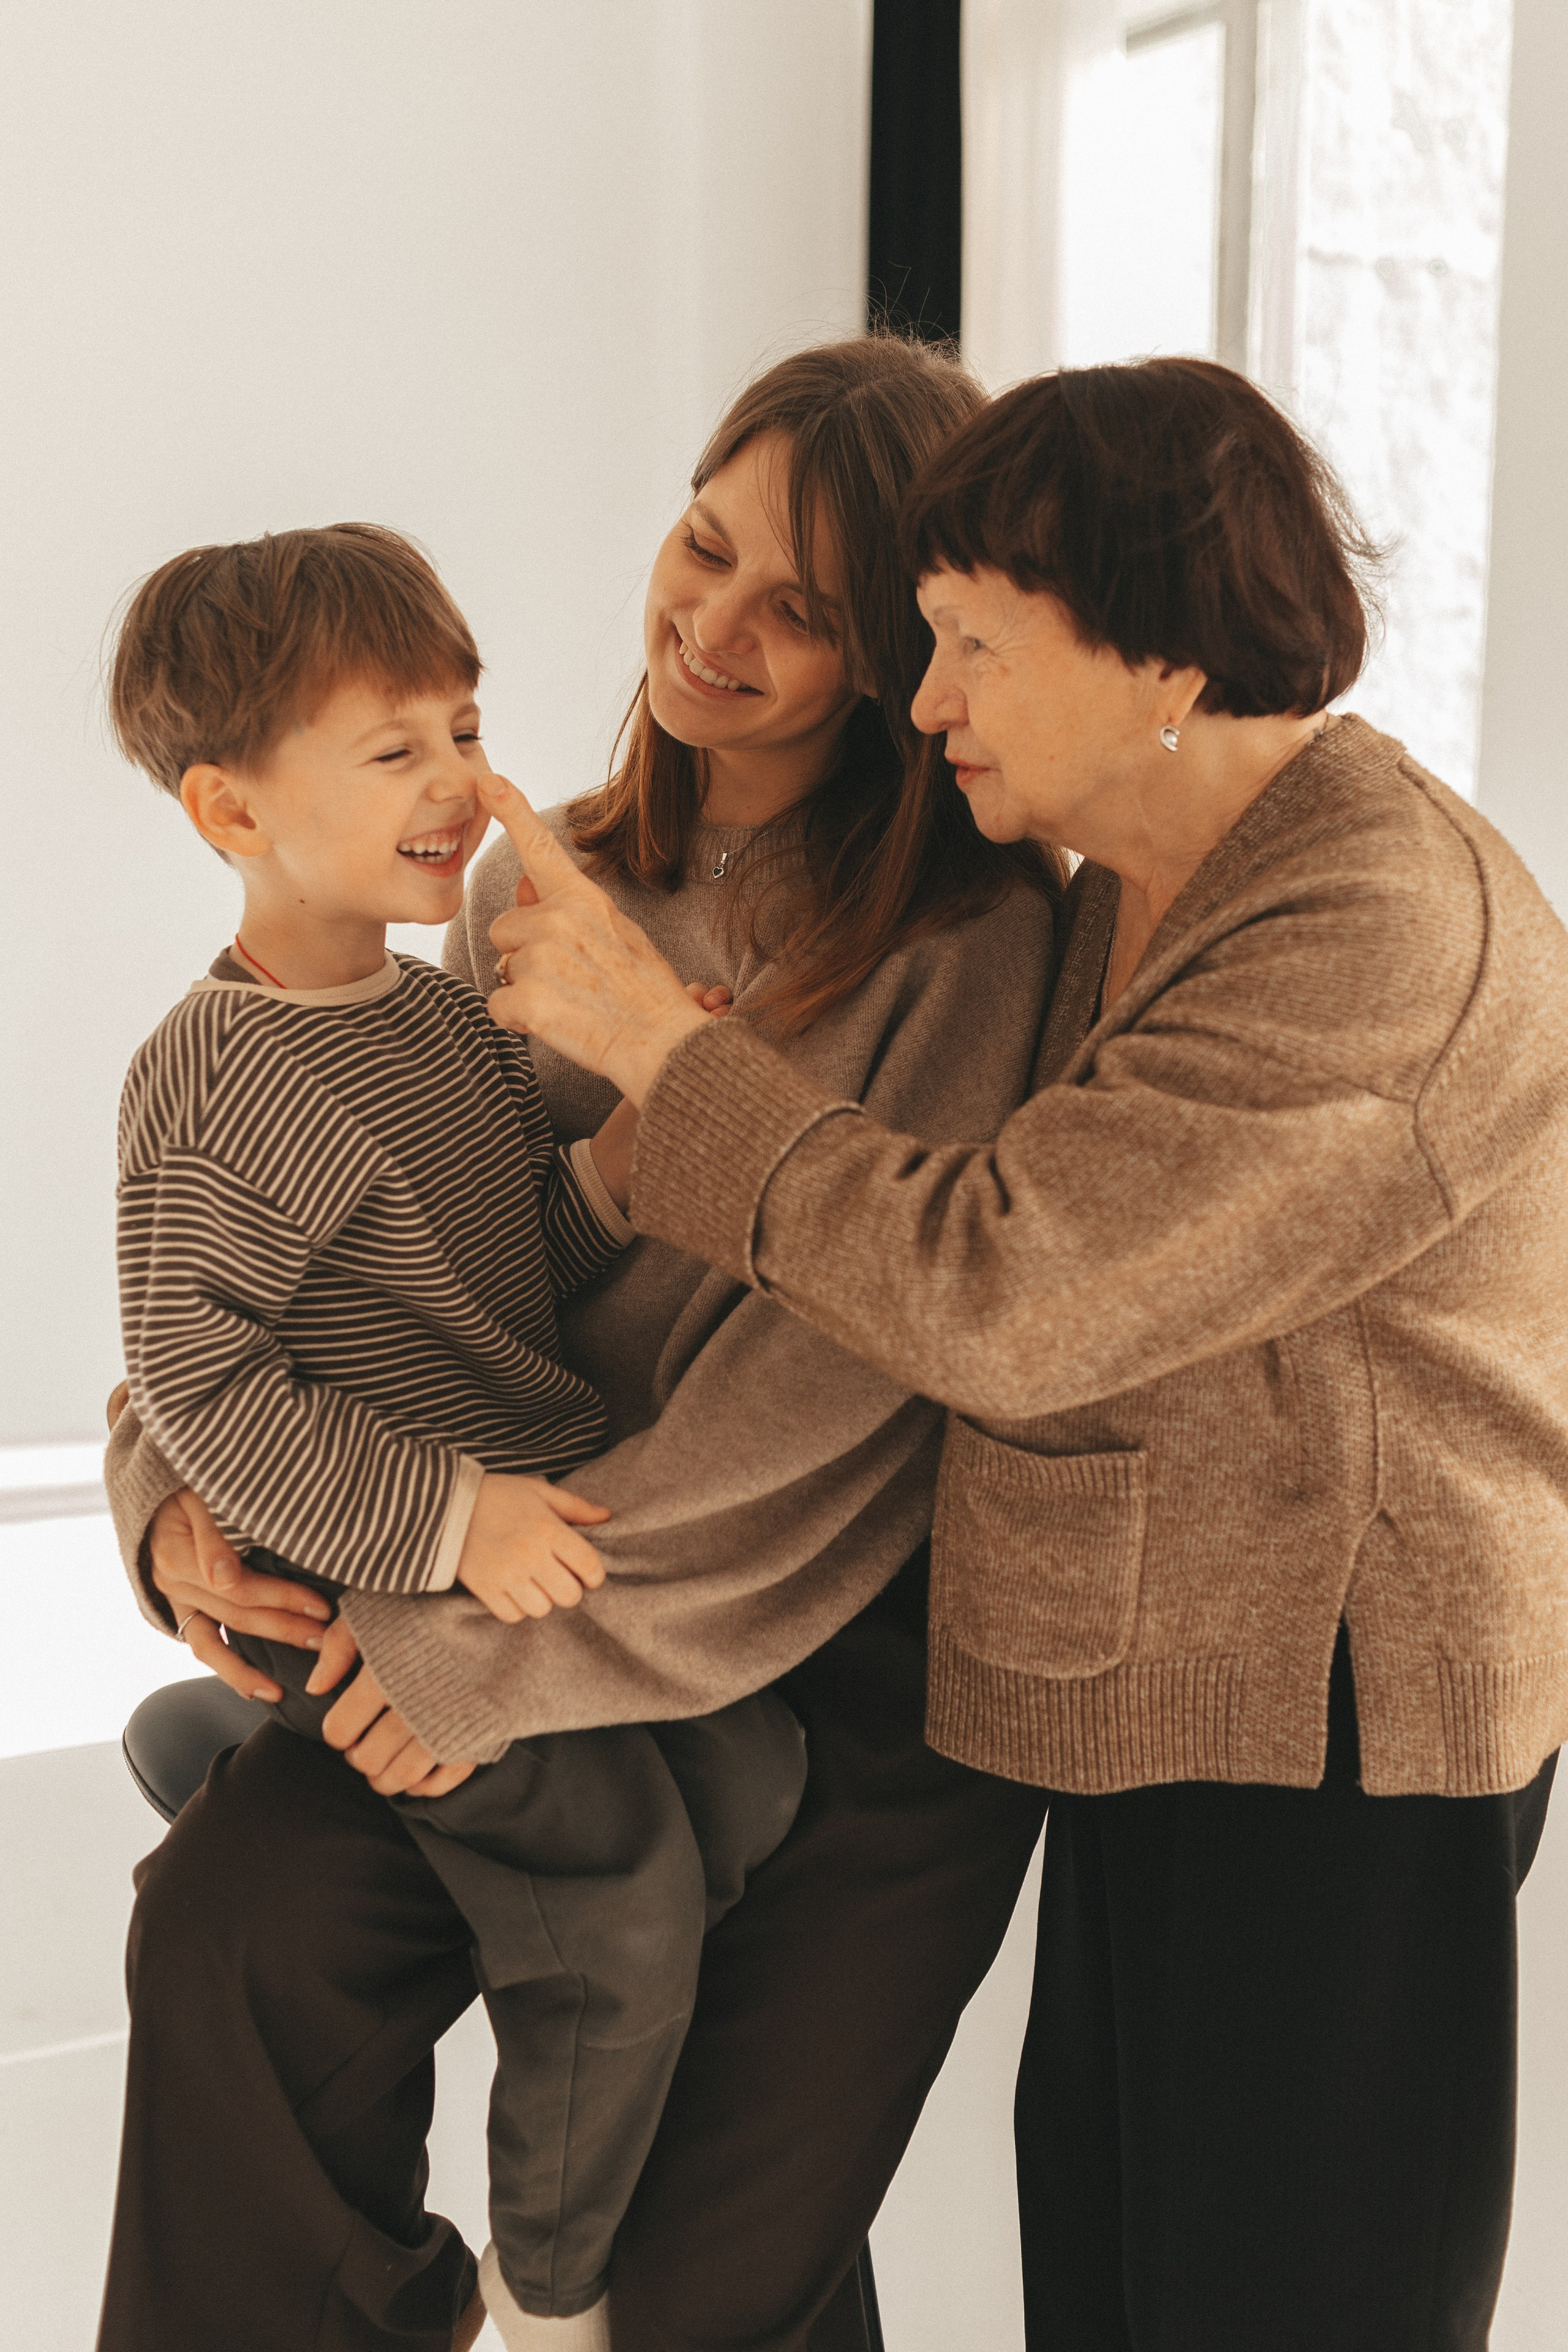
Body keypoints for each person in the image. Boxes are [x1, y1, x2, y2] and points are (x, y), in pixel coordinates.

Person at [473, 356, 1568, 2351]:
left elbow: (1008, 1289)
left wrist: (662, 1050)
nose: (929, 697)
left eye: (974, 643)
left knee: (1292, 2303)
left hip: (1338, 1730)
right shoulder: (1129, 889)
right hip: (1151, 1692)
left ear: (1160, 654)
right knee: (1121, 2281)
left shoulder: (1380, 921)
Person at [99, 337, 1062, 2352]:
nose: (712, 625)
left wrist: (464, 1647)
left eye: (800, 608)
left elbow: (829, 1404)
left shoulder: (969, 951)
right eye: (703, 546)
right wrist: (166, 1497)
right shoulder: (530, 876)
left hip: (792, 1638)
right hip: (495, 1557)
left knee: (691, 2268)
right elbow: (358, 1262)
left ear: (896, 653)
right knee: (223, 1945)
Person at [104, 521, 808, 2352]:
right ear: (230, 812)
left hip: (515, 1526)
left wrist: (637, 1158)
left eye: (465, 724)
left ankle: (267, 1748)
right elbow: (204, 1386)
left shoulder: (434, 1011)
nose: (461, 781)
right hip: (410, 1566)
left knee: (753, 1783)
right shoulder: (215, 1077)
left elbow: (516, 1258)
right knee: (631, 1915)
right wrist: (449, 1521)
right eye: (392, 746)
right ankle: (553, 2284)